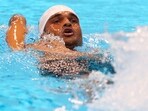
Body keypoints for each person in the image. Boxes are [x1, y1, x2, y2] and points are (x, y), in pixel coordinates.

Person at [6, 5, 115, 76]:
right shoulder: (41, 45)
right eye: (57, 21)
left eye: (73, 20)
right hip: (59, 65)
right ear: (43, 34)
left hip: (89, 64)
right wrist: (18, 20)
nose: (67, 23)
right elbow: (16, 47)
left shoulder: (91, 51)